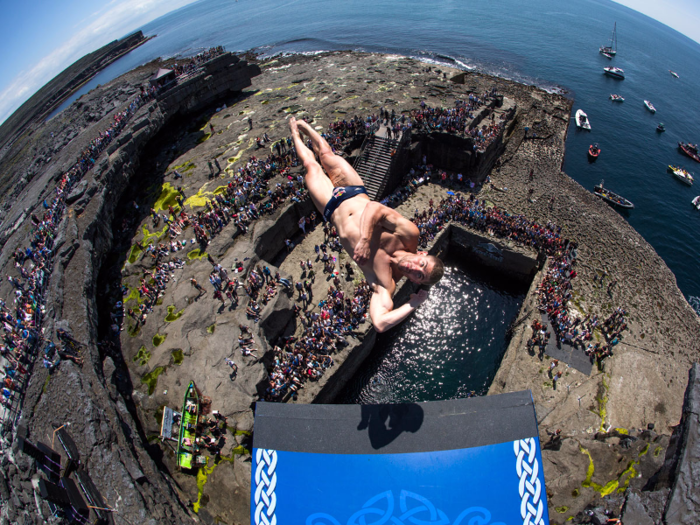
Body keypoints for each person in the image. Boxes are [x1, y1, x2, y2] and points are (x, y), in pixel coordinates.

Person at [289, 117, 444, 332]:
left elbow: (380, 323)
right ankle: (305, 127)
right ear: (423, 254)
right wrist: (364, 239)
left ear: (414, 281)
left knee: (311, 166)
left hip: (331, 206)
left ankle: (295, 134)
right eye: (422, 265)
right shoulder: (409, 235)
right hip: (354, 190)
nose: (415, 268)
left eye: (419, 276)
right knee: (326, 155)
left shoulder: (385, 283)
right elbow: (374, 209)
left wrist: (413, 304)